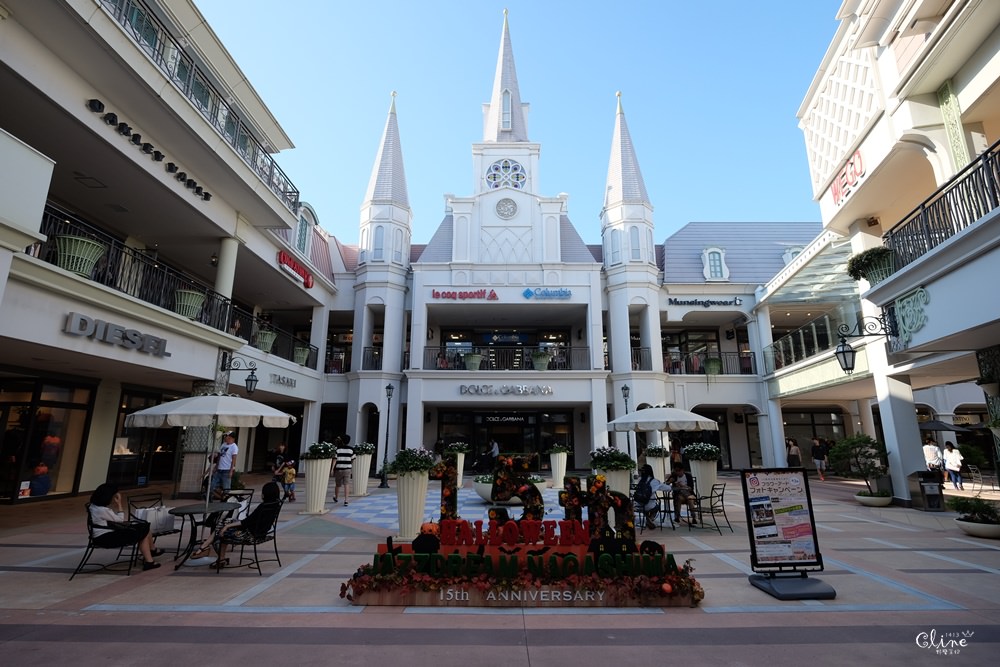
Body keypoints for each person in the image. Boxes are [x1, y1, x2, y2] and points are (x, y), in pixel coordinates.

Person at [192, 481, 282, 569]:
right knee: (225, 523)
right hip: (261, 533)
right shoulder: (275, 505)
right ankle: (207, 549)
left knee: (223, 527)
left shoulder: (262, 507)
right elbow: (248, 522)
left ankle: (206, 549)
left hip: (250, 535)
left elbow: (246, 522)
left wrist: (228, 526)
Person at [88, 482, 163, 571]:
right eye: (113, 496)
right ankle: (150, 558)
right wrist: (119, 503)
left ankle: (151, 555)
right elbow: (120, 519)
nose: (113, 499)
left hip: (103, 535)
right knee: (143, 530)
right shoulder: (102, 510)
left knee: (144, 527)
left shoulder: (93, 506)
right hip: (105, 538)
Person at [633, 464, 667, 528]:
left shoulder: (639, 480)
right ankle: (650, 519)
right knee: (657, 506)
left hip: (638, 505)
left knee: (646, 506)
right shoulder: (654, 481)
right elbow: (666, 488)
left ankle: (647, 519)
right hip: (649, 505)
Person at [209, 431, 239, 499]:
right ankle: (222, 497)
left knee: (227, 489)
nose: (225, 437)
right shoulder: (223, 444)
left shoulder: (234, 447)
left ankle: (226, 500)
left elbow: (234, 460)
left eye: (227, 436)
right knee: (212, 487)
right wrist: (216, 466)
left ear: (231, 437)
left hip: (227, 470)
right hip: (219, 469)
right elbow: (219, 456)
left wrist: (231, 471)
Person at [333, 436, 354, 505]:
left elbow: (335, 459)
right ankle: (346, 500)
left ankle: (336, 497)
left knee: (338, 484)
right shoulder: (351, 449)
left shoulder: (338, 449)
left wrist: (332, 469)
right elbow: (353, 458)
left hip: (339, 469)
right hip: (347, 469)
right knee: (346, 484)